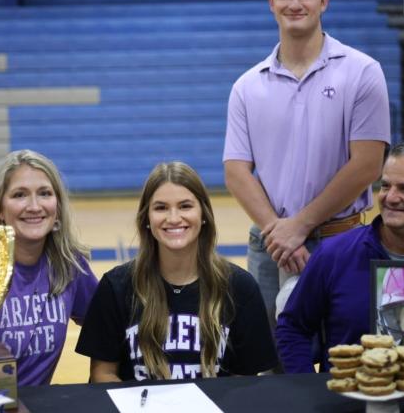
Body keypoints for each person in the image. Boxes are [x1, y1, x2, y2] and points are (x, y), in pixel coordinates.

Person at [223, 0, 390, 324]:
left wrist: (299, 226)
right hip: (269, 247)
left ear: (324, 1)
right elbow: (236, 171)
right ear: (271, 2)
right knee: (273, 368)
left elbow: (367, 165)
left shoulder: (363, 72)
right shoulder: (247, 86)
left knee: (341, 360)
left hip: (341, 241)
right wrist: (280, 234)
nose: (294, 3)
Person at [76, 162, 276, 380]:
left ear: (204, 215)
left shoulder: (240, 288)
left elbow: (245, 382)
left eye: (185, 206)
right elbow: (103, 374)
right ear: (147, 219)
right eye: (161, 208)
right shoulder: (115, 287)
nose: (173, 218)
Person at [276, 142, 404, 371]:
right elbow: (292, 328)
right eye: (385, 186)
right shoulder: (333, 255)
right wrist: (307, 392)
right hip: (346, 401)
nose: (390, 197)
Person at [0, 150, 97, 386]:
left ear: (57, 206)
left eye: (44, 193)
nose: (34, 206)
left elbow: (111, 325)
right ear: (1, 210)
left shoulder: (69, 266)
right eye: (19, 195)